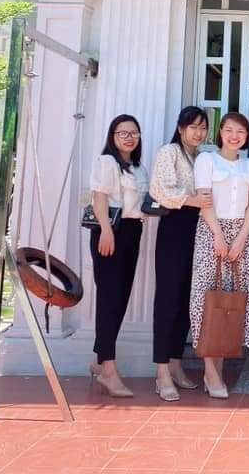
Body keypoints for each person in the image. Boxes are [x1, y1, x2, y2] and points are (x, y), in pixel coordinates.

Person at [190, 112, 249, 398]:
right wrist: (218, 236)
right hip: (211, 230)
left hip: (242, 235)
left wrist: (241, 238)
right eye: (229, 130)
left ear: (247, 136)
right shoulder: (207, 160)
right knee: (207, 298)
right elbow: (204, 200)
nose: (235, 136)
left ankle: (217, 369)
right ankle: (210, 370)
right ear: (220, 132)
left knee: (231, 300)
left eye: (240, 131)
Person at [149, 106, 212, 401]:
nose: (198, 133)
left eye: (203, 127)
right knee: (168, 299)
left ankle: (175, 362)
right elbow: (161, 190)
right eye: (193, 127)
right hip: (174, 228)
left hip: (199, 230)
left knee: (189, 298)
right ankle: (161, 370)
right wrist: (194, 200)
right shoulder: (169, 152)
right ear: (180, 128)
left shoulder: (203, 158)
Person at [88, 114, 149, 398]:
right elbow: (99, 197)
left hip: (132, 232)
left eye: (133, 133)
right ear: (113, 137)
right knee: (109, 299)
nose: (129, 137)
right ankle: (109, 370)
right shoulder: (107, 162)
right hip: (111, 231)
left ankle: (100, 360)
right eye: (122, 133)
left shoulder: (138, 167)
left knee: (120, 299)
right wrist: (105, 231)